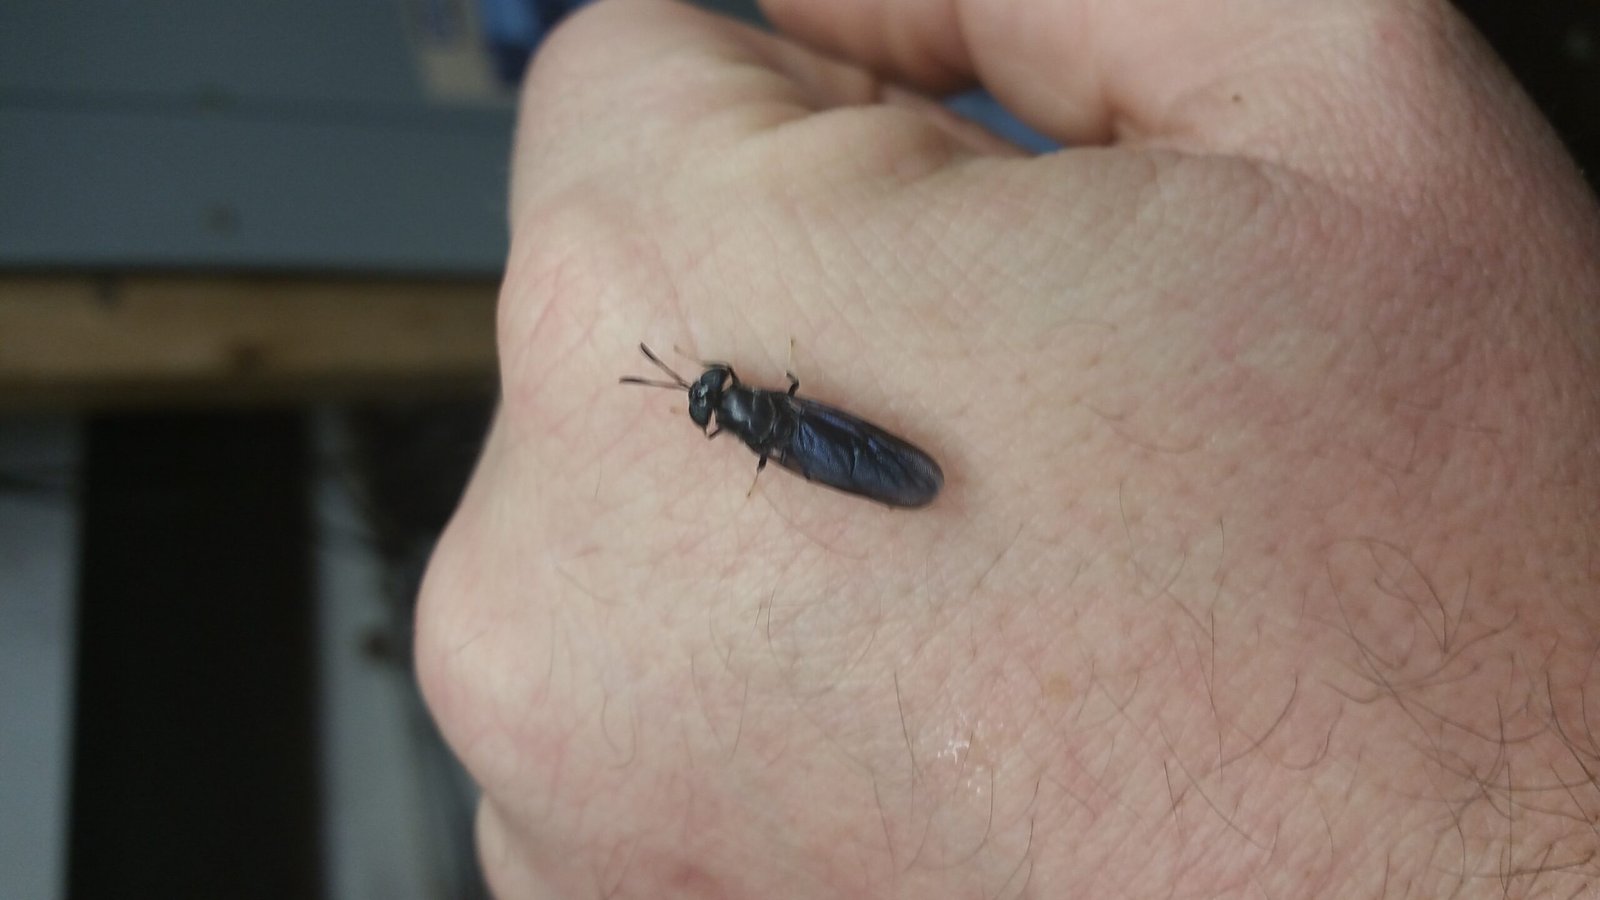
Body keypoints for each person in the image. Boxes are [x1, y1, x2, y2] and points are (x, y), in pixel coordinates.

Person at [416, 0, 1600, 895]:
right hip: (843, 447)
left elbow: (807, 433)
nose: (714, 387)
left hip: (836, 446)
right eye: (711, 389)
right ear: (731, 406)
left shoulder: (758, 430)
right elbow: (817, 430)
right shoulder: (765, 418)